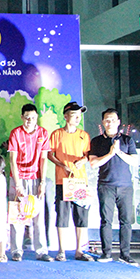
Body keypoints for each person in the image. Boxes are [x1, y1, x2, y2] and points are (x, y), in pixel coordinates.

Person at [89, 108, 138, 265]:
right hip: (106, 185)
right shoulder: (97, 141)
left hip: (125, 186)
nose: (109, 123)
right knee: (106, 220)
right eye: (107, 120)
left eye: (113, 120)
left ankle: (125, 254)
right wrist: (110, 154)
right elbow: (93, 163)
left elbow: (134, 161)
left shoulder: (126, 140)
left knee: (126, 221)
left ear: (118, 122)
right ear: (103, 122)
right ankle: (106, 253)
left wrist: (118, 153)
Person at [48, 102, 93, 262]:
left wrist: (83, 160)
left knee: (81, 215)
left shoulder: (84, 135)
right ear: (66, 116)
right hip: (63, 180)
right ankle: (61, 250)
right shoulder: (57, 134)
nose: (77, 117)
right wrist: (62, 165)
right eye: (74, 114)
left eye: (79, 115)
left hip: (80, 181)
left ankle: (79, 250)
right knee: (62, 215)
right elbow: (50, 154)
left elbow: (88, 155)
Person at [8, 103, 53, 262]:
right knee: (18, 214)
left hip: (36, 178)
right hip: (18, 178)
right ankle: (16, 251)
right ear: (22, 118)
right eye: (27, 118)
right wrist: (18, 184)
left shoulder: (43, 133)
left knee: (39, 215)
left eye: (33, 118)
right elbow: (12, 160)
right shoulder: (16, 133)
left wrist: (42, 183)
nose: (30, 121)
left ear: (37, 118)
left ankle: (41, 251)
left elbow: (44, 159)